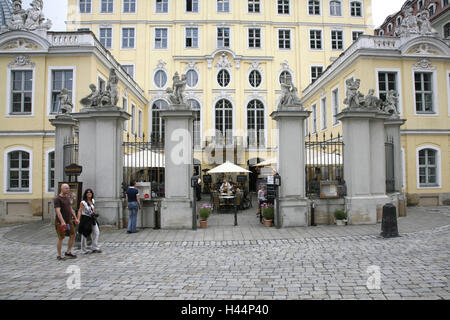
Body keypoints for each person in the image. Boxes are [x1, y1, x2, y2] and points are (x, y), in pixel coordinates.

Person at [54, 183, 79, 260]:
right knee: (61, 237)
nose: (68, 190)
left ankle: (68, 251)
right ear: (61, 189)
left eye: (68, 188)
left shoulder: (67, 198)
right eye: (66, 188)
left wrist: (75, 218)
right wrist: (62, 222)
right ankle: (59, 255)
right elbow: (58, 211)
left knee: (73, 234)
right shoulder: (57, 199)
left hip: (69, 221)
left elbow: (70, 209)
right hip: (60, 222)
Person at [77, 189, 102, 254]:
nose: (89, 193)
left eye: (90, 192)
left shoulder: (92, 201)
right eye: (87, 192)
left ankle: (94, 247)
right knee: (85, 233)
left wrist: (94, 213)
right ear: (85, 194)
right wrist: (78, 219)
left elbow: (93, 209)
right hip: (85, 218)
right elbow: (80, 211)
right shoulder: (83, 202)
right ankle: (84, 249)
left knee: (96, 232)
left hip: (92, 218)